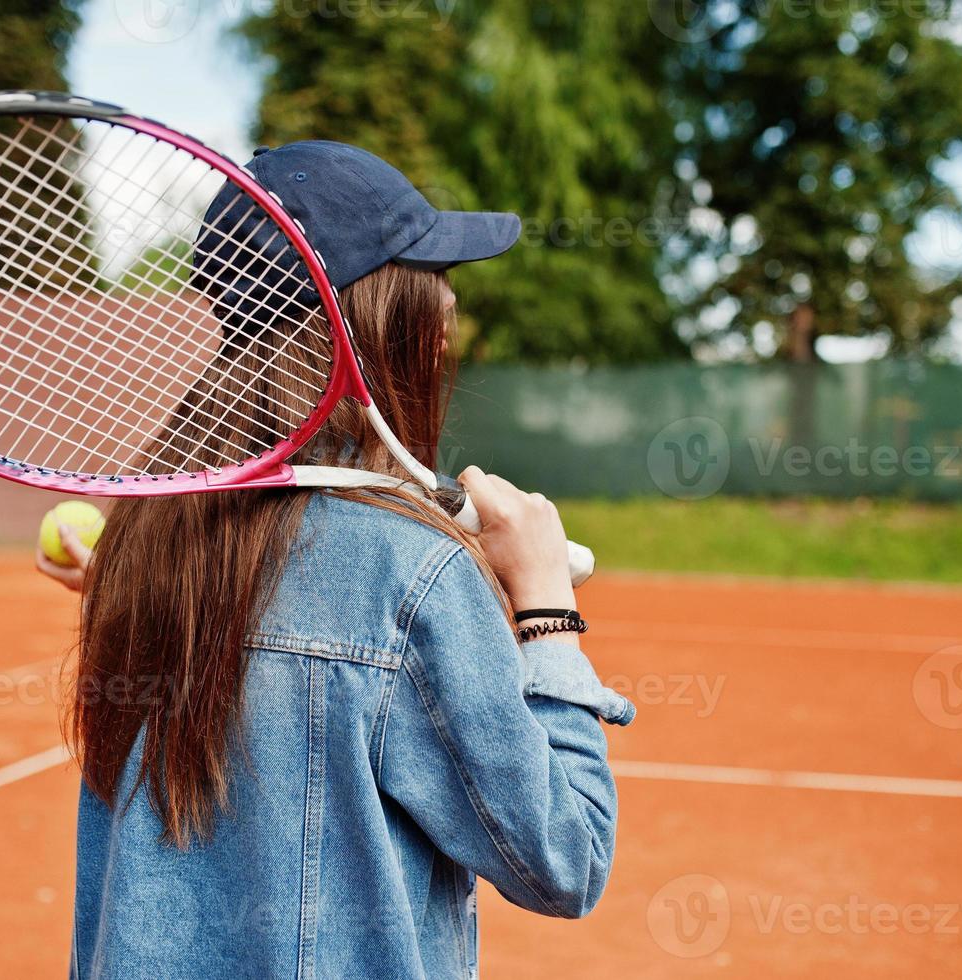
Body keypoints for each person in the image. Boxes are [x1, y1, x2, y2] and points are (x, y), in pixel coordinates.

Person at [36, 141, 634, 979]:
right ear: (384, 323)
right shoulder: (411, 575)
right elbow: (565, 862)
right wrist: (545, 609)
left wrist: (121, 577)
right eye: (434, 283)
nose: (451, 306)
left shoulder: (151, 542)